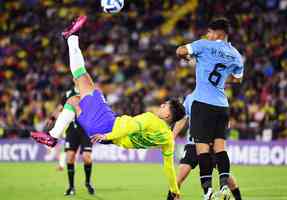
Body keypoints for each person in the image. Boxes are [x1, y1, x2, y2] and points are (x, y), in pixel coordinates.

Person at [31, 16, 185, 200]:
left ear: (167, 114)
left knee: (82, 78)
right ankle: (53, 135)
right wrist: (174, 190)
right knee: (74, 99)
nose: (161, 105)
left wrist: (107, 135)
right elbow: (168, 167)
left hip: (107, 127)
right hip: (106, 131)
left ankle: (71, 37)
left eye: (164, 105)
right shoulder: (168, 138)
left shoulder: (151, 119)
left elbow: (130, 127)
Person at [176, 18, 244, 200]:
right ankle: (223, 187)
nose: (207, 35)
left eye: (209, 32)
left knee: (203, 150)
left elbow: (180, 50)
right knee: (220, 149)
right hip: (222, 106)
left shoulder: (204, 45)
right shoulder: (236, 55)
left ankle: (207, 191)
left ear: (218, 33)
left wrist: (188, 57)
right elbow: (237, 79)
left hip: (202, 104)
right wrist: (221, 80)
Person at [173, 94, 242, 200]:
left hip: (211, 145)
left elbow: (225, 121)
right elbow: (182, 118)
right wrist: (173, 136)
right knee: (178, 178)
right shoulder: (190, 98)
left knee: (227, 178)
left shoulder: (217, 97)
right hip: (192, 144)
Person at [46, 86, 95, 196]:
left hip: (86, 130)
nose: (76, 79)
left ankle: (87, 182)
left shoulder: (89, 92)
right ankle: (71, 187)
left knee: (87, 157)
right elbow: (60, 108)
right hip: (72, 130)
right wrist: (52, 118)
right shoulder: (69, 93)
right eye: (74, 78)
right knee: (70, 157)